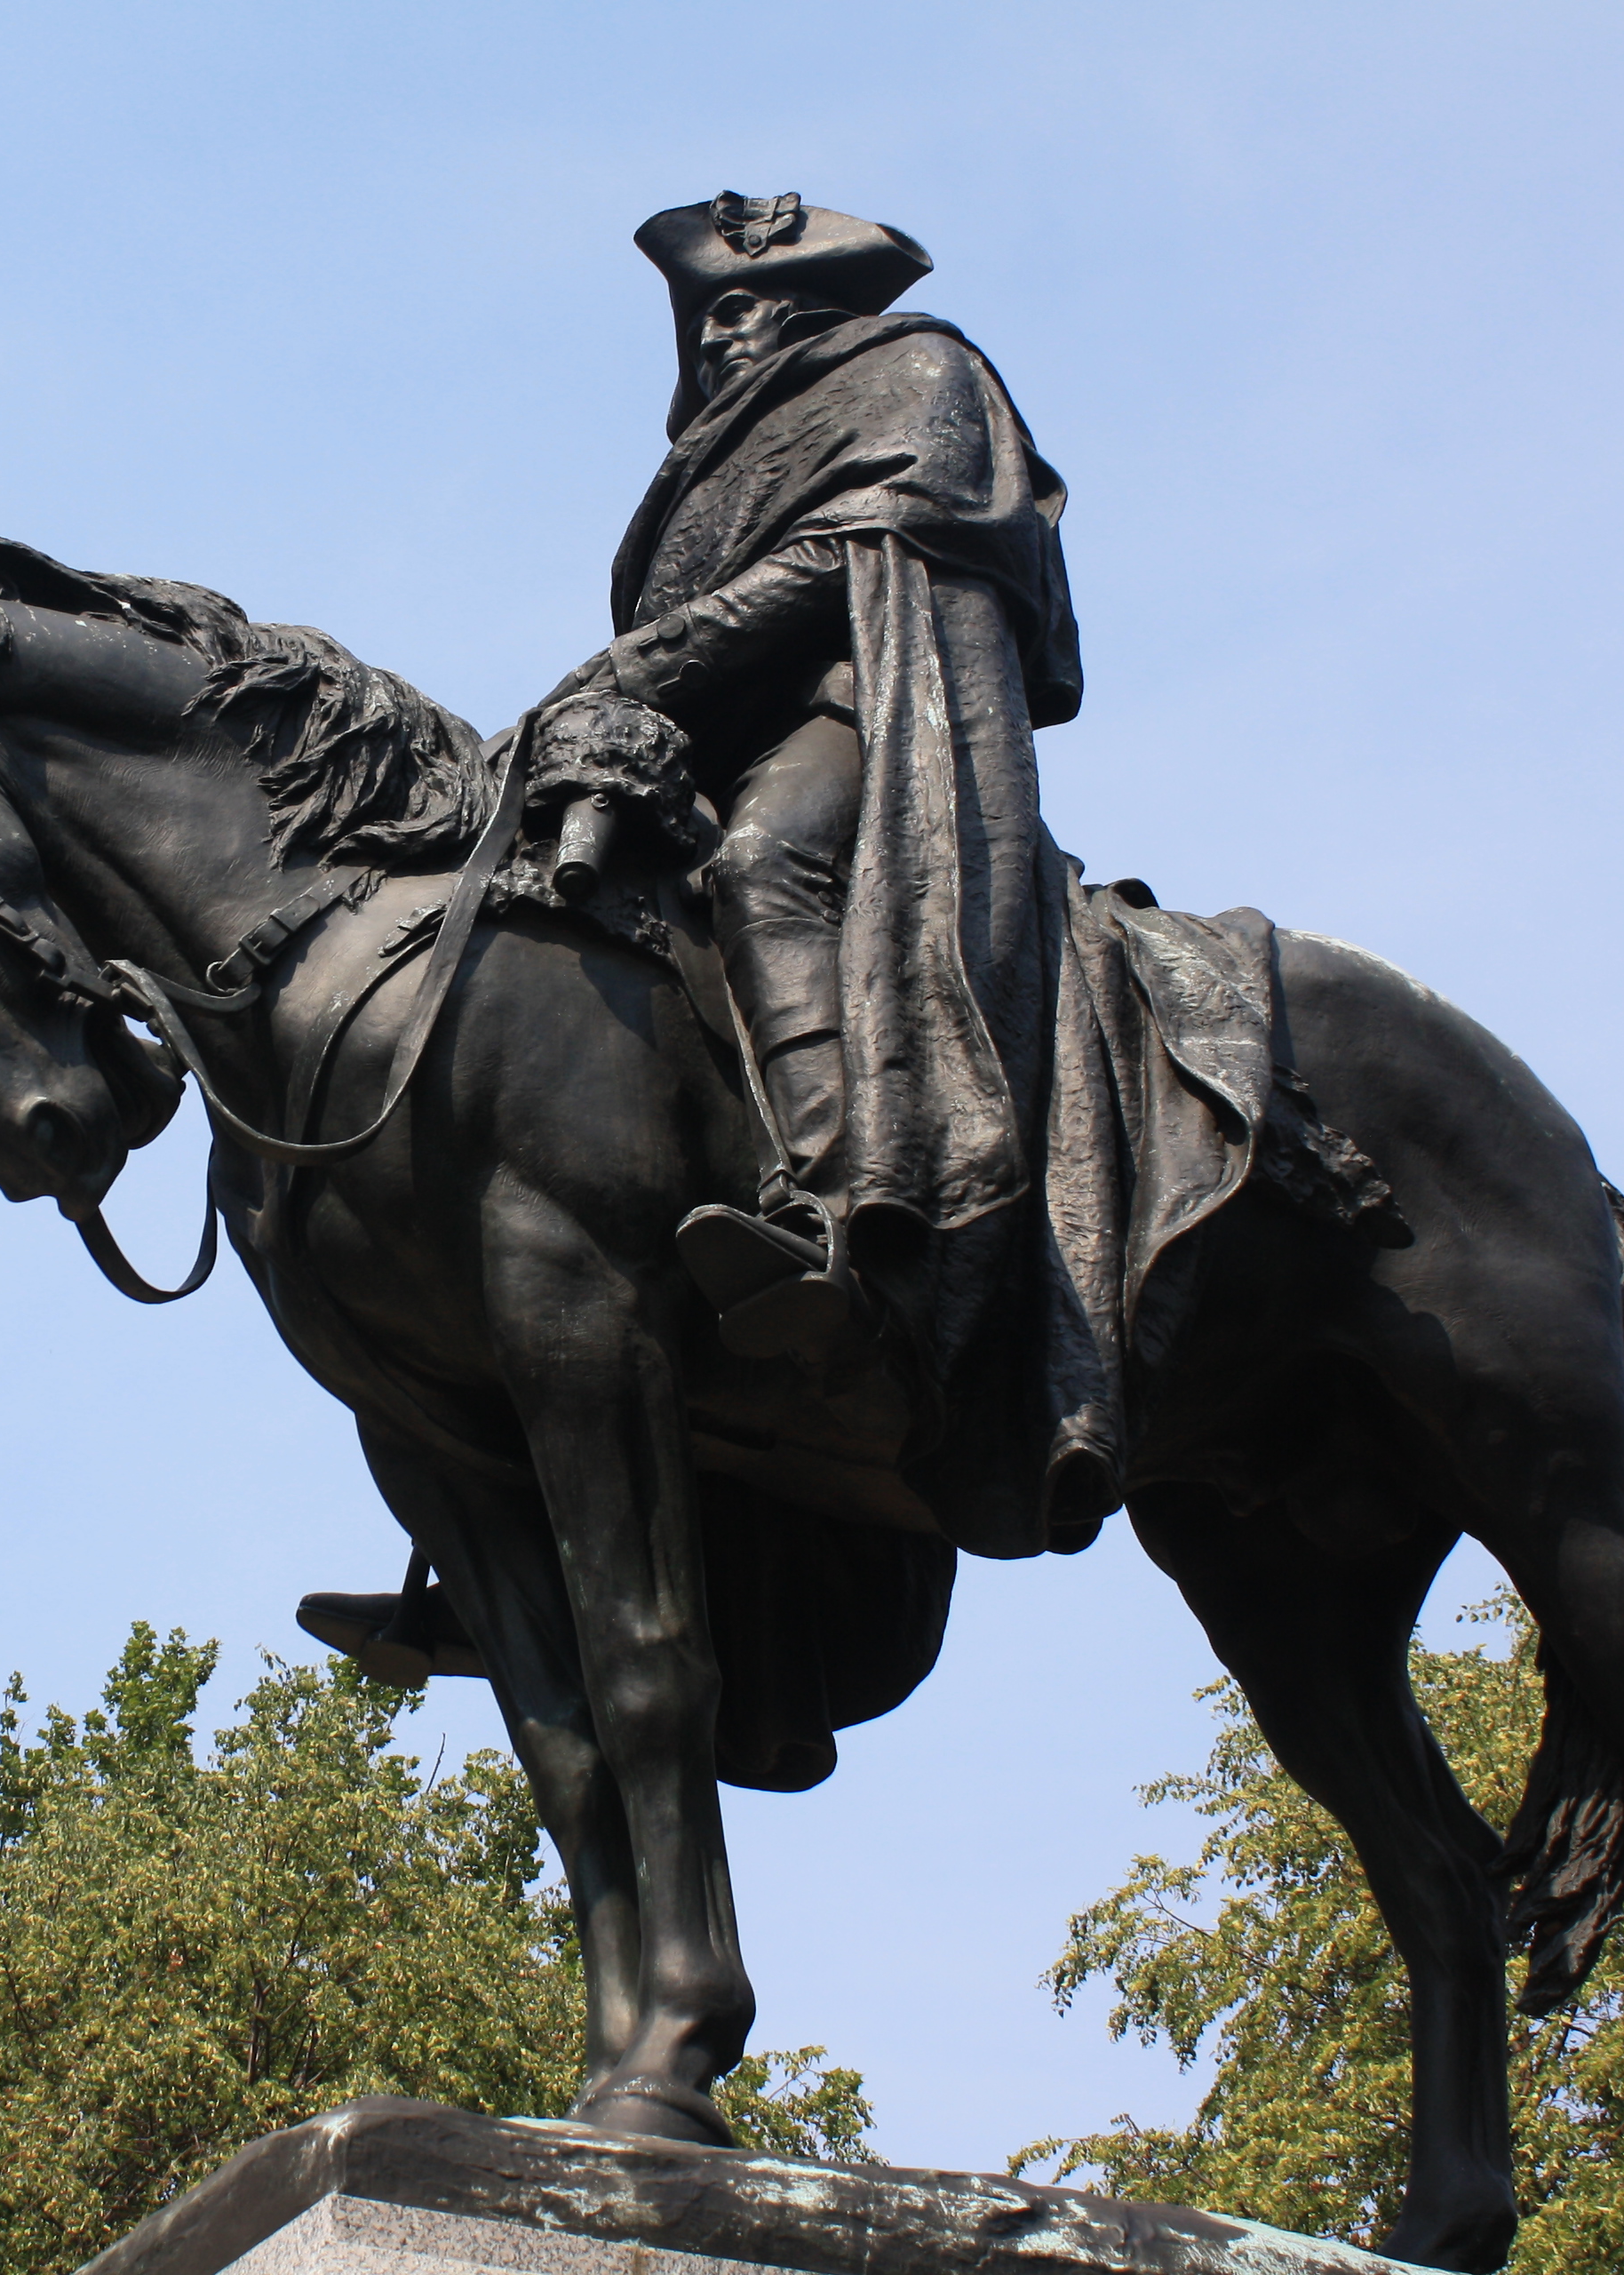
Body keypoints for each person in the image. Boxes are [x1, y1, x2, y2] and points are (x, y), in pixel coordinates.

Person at [302, 193, 1084, 1680]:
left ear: (815, 300)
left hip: (866, 711)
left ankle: (837, 1213)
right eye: (702, 315)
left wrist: (650, 660)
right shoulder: (706, 463)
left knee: (765, 864)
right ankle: (499, 1525)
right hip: (717, 740)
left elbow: (852, 558)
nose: (716, 333)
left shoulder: (918, 374)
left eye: (740, 304)